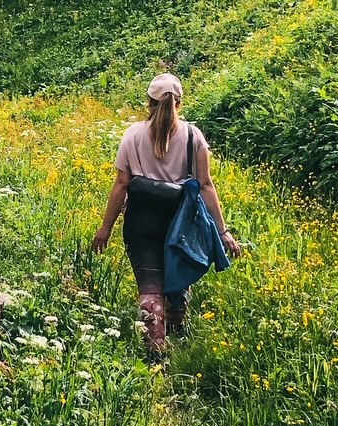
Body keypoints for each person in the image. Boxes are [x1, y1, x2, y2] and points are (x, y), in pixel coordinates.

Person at [92, 74, 242, 355]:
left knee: (150, 285)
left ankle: (155, 351)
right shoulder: (192, 136)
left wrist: (106, 228)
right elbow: (206, 185)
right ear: (179, 103)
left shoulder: (132, 134)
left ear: (148, 102)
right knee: (177, 270)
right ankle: (177, 315)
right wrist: (223, 232)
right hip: (181, 221)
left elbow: (122, 185)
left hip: (141, 222)